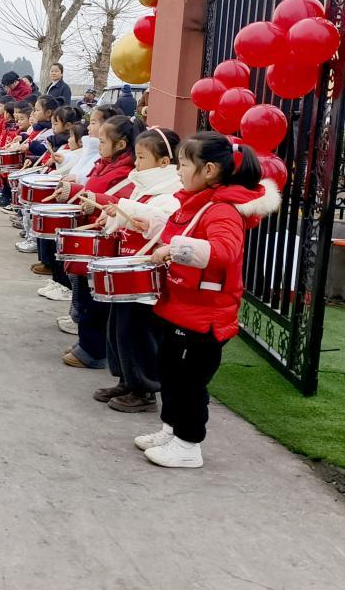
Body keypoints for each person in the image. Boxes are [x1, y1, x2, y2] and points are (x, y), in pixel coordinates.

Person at [141, 132, 278, 468]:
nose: (178, 170)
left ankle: (188, 444)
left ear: (209, 170)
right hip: (181, 306)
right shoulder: (198, 202)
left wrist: (173, 250)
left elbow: (223, 252)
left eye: (184, 164)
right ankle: (172, 429)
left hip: (204, 316)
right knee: (170, 373)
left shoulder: (223, 211)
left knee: (189, 383)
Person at [91, 128, 182, 413]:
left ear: (164, 162)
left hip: (147, 277)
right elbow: (133, 217)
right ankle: (126, 380)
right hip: (129, 269)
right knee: (118, 329)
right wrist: (113, 218)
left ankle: (144, 389)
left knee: (139, 332)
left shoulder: (170, 194)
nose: (137, 163)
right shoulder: (143, 189)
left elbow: (161, 222)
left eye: (142, 158)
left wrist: (124, 208)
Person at [53, 115, 137, 368]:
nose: (98, 145)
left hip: (105, 243)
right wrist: (74, 192)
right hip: (93, 237)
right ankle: (86, 343)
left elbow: (121, 201)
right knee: (86, 295)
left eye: (102, 141)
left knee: (95, 301)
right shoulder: (105, 164)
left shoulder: (125, 172)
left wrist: (89, 198)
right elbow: (96, 192)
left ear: (120, 145)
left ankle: (94, 351)